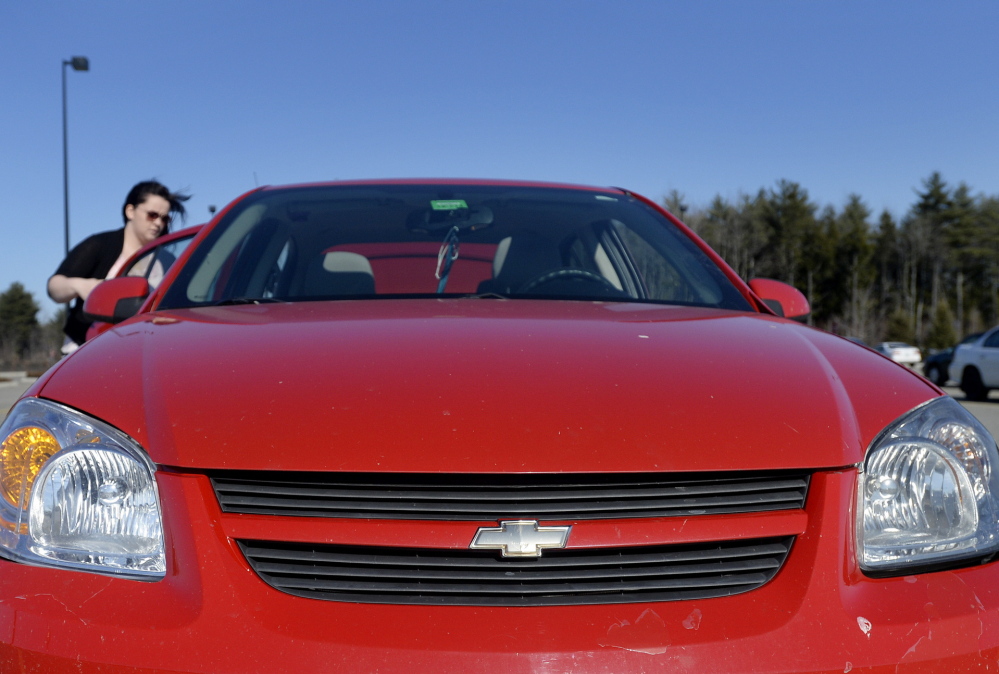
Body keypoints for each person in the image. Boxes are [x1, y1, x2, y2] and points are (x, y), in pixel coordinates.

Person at [48, 180, 189, 351]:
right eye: (152, 215)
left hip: (145, 349)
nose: (158, 223)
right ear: (130, 211)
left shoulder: (167, 260)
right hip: (86, 348)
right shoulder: (100, 245)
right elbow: (54, 286)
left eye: (164, 218)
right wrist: (80, 285)